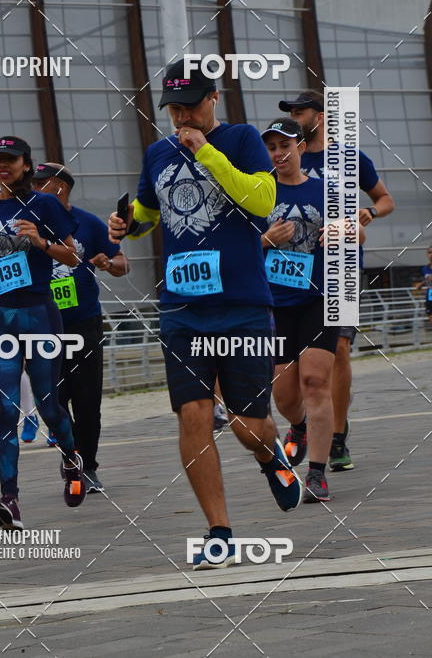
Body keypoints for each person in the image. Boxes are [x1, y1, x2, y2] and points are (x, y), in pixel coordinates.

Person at [108, 59, 303, 570]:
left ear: (213, 98)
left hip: (241, 303)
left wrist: (207, 152)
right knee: (193, 413)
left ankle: (271, 455)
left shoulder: (239, 139)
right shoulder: (157, 153)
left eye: (190, 105)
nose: (181, 117)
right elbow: (149, 216)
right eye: (173, 108)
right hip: (182, 307)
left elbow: (262, 200)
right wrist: (126, 224)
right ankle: (219, 531)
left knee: (248, 424)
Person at [0, 135, 86, 530]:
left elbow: (73, 255)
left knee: (49, 406)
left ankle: (71, 458)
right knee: (5, 410)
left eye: (11, 160)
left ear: (26, 165)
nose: (3, 166)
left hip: (39, 315)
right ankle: (10, 499)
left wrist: (39, 241)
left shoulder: (44, 204)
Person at [279, 90, 395, 472]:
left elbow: (385, 199)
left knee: (340, 349)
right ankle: (301, 425)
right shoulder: (284, 157)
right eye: (291, 112)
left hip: (340, 267)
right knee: (291, 371)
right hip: (291, 272)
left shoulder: (349, 158)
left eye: (301, 111)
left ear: (322, 115)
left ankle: (339, 436)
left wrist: (368, 213)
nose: (295, 117)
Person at [259, 118, 366, 502]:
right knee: (285, 394)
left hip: (321, 299)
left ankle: (317, 474)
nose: (278, 153)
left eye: (284, 146)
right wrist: (266, 239)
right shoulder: (259, 194)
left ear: (301, 149)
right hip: (277, 304)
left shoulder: (328, 191)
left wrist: (345, 231)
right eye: (271, 147)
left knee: (315, 383)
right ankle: (299, 425)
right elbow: (241, 248)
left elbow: (360, 232)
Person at [31, 162, 129, 493]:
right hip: (42, 325)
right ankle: (70, 454)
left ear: (60, 187)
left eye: (40, 183)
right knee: (52, 400)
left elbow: (122, 264)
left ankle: (87, 466)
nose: (33, 188)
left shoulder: (87, 223)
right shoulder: (26, 223)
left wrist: (107, 263)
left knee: (88, 401)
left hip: (83, 323)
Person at [414, 246, 432, 325]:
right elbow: (428, 279)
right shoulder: (424, 269)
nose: (431, 254)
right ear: (427, 255)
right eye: (429, 252)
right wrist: (421, 284)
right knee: (430, 315)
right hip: (430, 292)